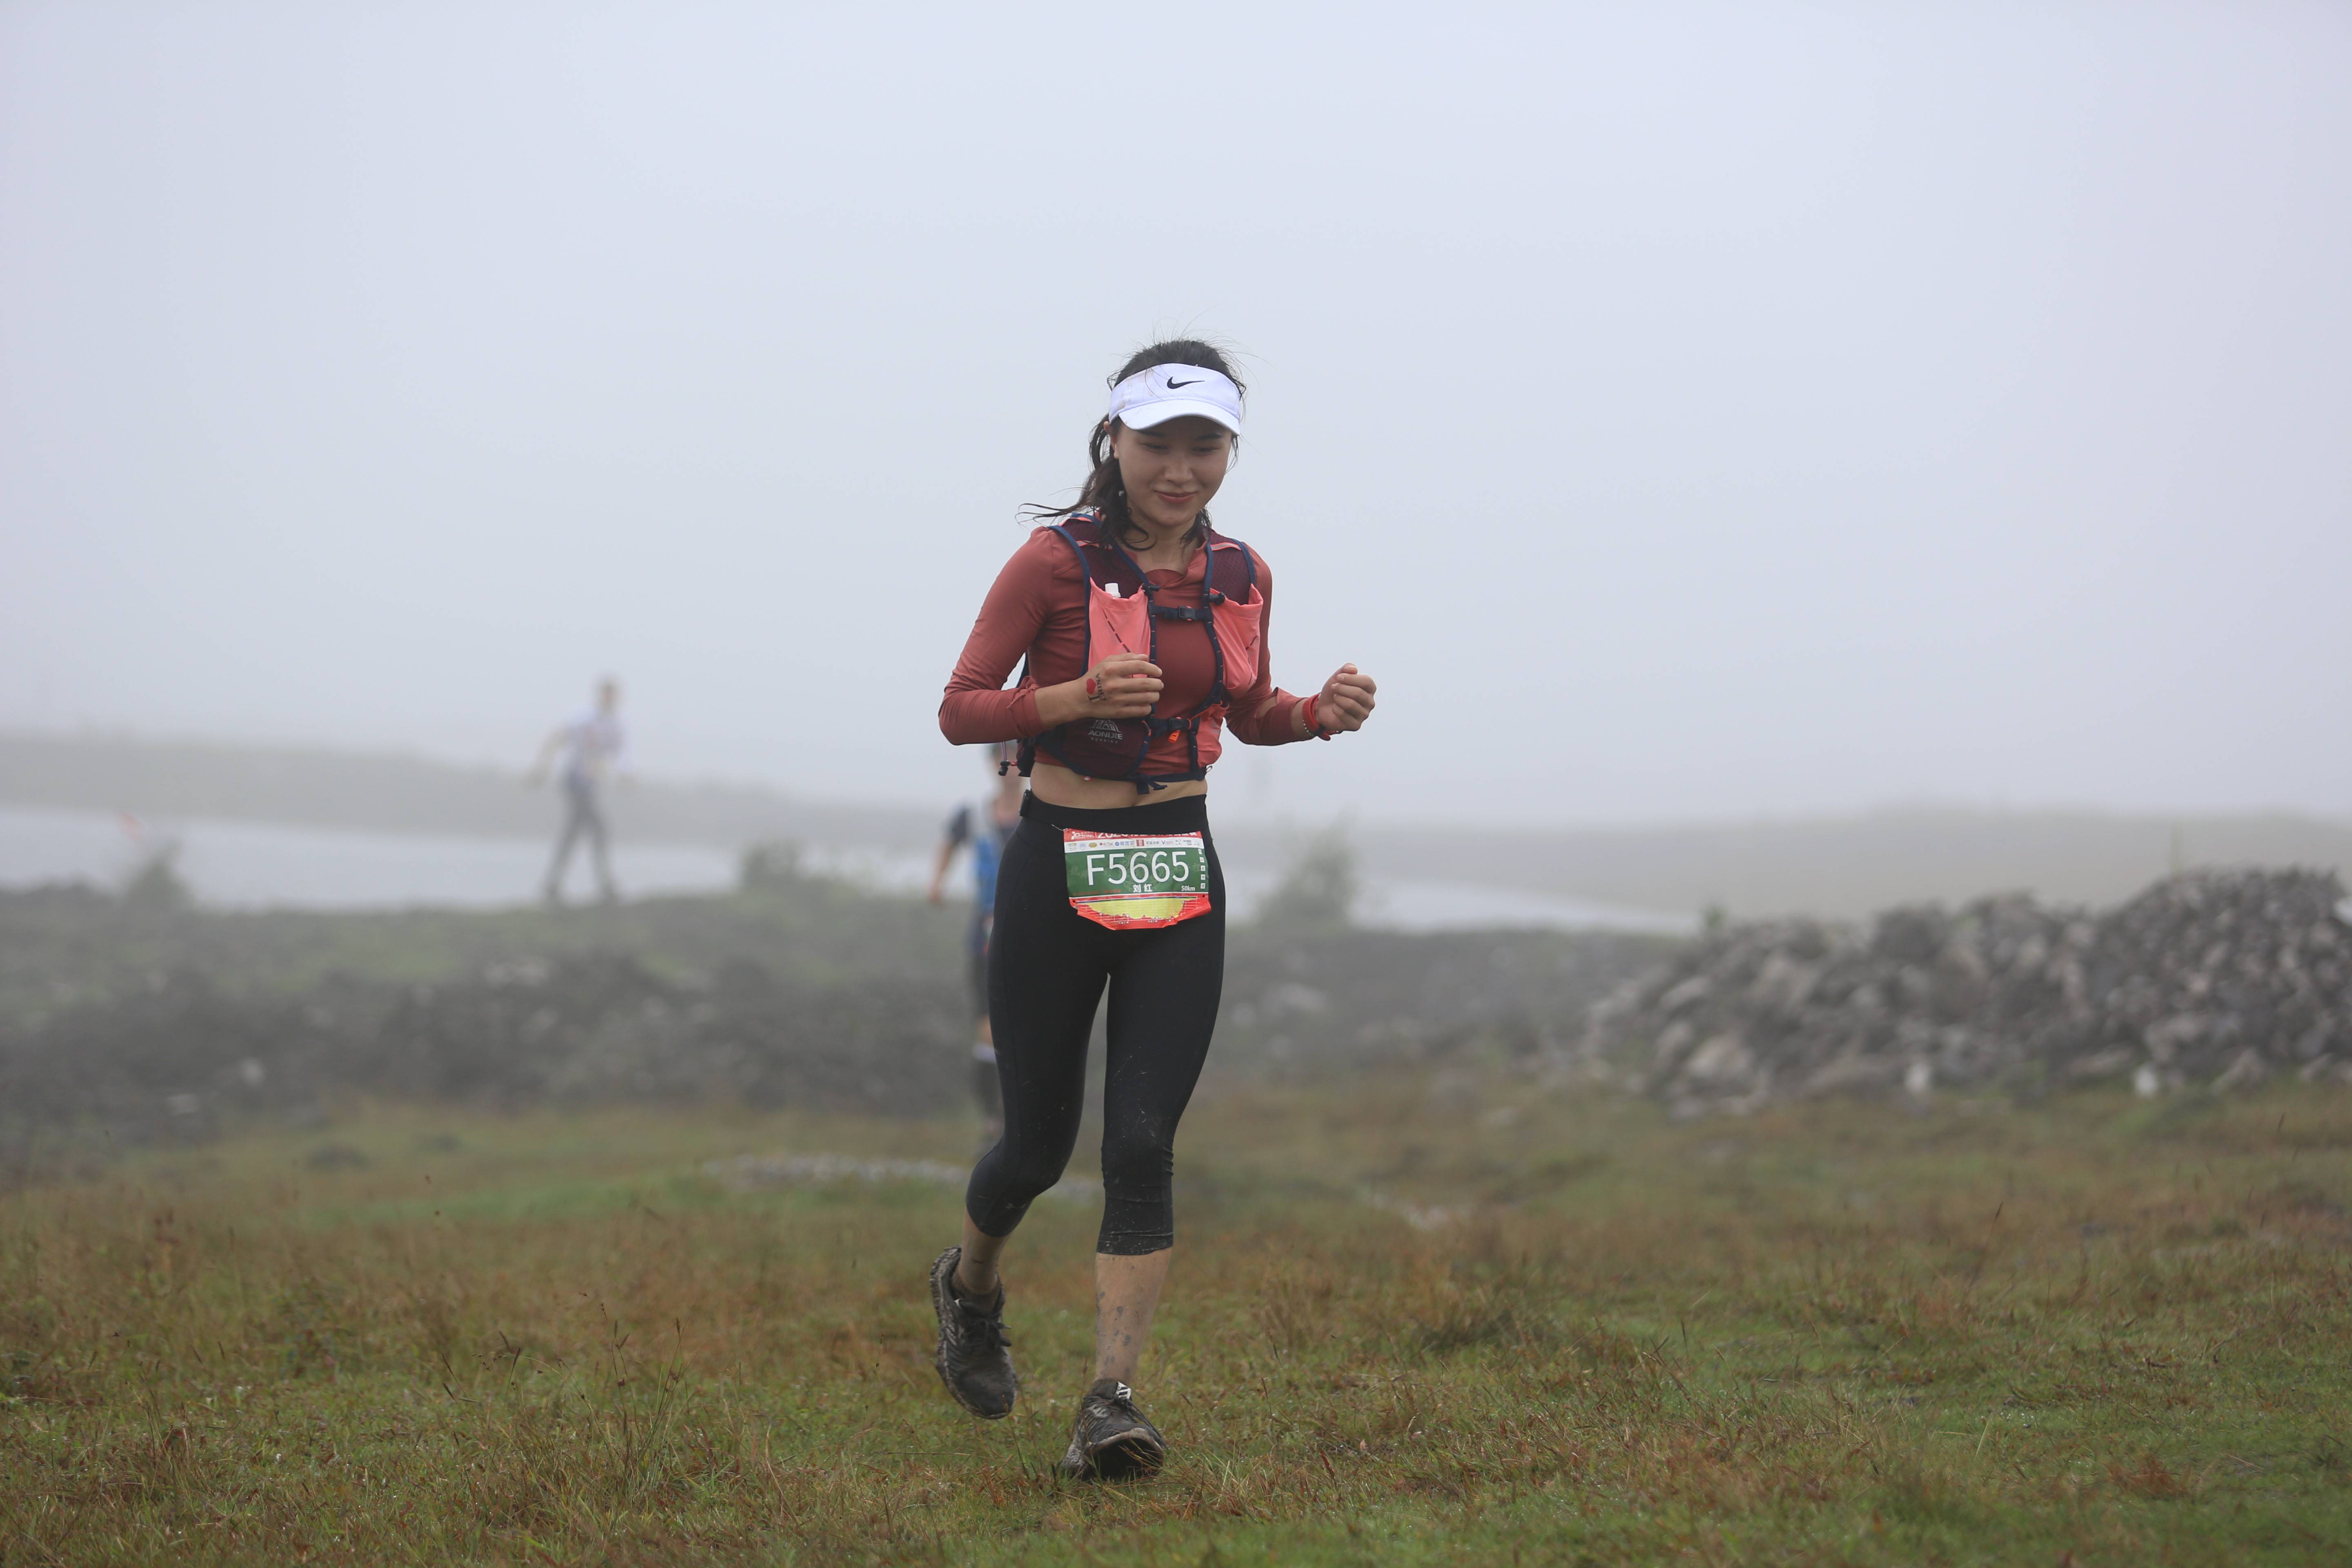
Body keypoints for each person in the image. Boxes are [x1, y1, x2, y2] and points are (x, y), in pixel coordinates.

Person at [929, 341, 1377, 1480]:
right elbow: (963, 710)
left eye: (1205, 446)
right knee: (1034, 1145)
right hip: (1058, 860)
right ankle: (969, 1287)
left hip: (1179, 859)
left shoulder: (1242, 572)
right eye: (1160, 445)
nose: (1182, 470)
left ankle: (1110, 1401)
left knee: (1141, 1144)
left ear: (1231, 451)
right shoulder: (1051, 563)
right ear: (1115, 443)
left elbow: (1248, 706)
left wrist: (1313, 713)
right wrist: (1074, 696)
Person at [927, 741, 1025, 1141]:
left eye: (1018, 758)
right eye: (1002, 759)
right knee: (987, 1030)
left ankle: (1023, 1119)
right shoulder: (973, 816)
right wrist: (937, 882)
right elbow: (949, 842)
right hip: (984, 939)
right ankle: (991, 1120)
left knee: (1028, 1030)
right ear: (990, 765)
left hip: (1033, 937)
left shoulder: (1044, 812)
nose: (1010, 767)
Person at [528, 677, 628, 905]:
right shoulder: (584, 719)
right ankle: (605, 884)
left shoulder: (614, 726)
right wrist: (542, 768)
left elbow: (613, 757)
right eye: (607, 695)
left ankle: (553, 884)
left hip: (591, 785)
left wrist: (623, 774)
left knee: (573, 833)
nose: (610, 699)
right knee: (598, 828)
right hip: (575, 782)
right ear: (601, 696)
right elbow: (556, 738)